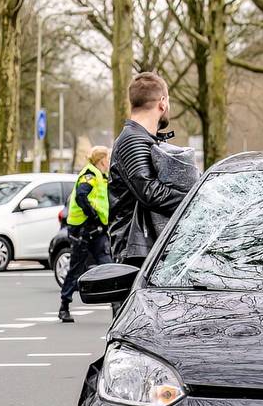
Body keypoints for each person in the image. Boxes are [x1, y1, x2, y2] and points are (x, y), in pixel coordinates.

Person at [108, 72, 191, 268]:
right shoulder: (131, 140)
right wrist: (195, 198)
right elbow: (149, 192)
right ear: (162, 103)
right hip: (135, 255)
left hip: (144, 251)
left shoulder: (140, 138)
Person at [58, 147, 112, 322]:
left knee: (108, 266)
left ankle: (117, 307)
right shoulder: (90, 174)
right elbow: (82, 195)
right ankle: (64, 305)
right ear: (102, 160)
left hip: (97, 230)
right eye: (108, 158)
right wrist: (94, 215)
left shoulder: (101, 176)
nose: (110, 161)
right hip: (83, 230)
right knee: (76, 268)